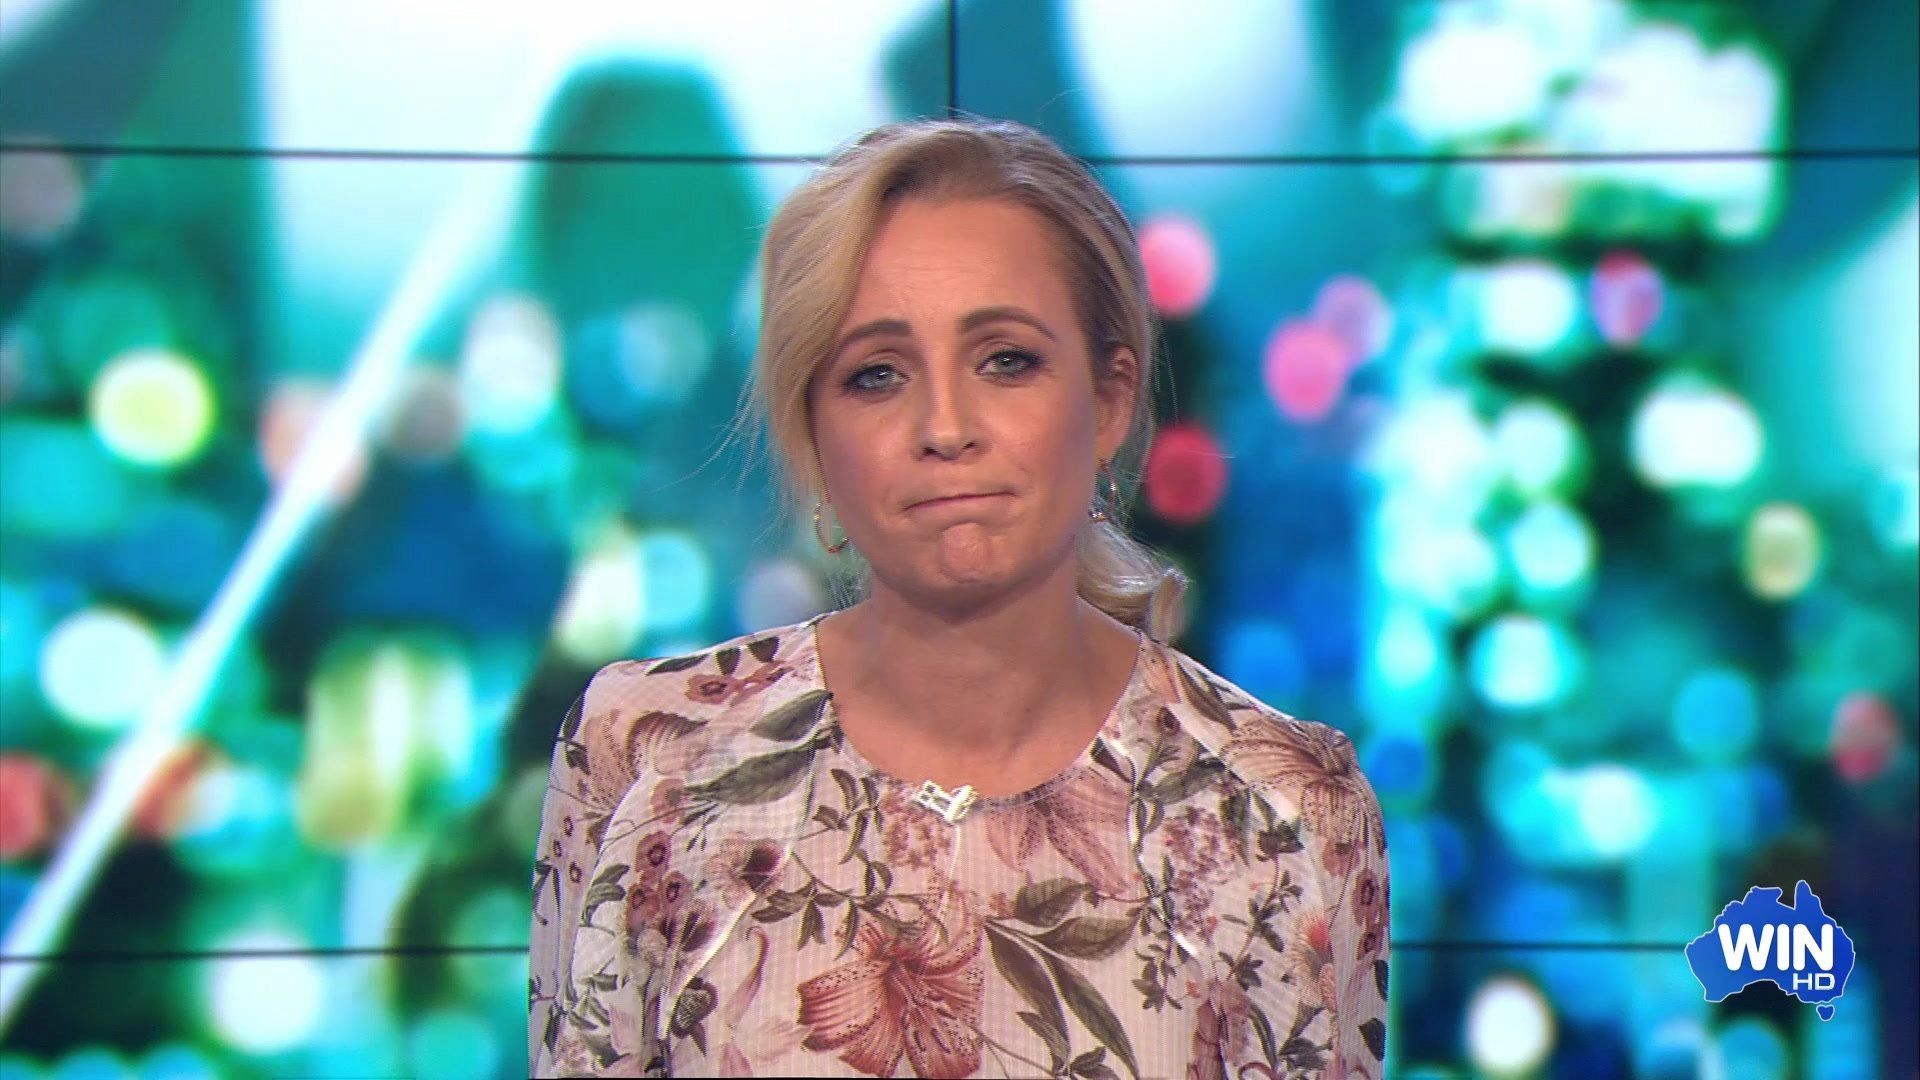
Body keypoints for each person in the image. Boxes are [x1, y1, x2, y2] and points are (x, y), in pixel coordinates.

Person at [528, 116, 1389, 1079]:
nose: (944, 427)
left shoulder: (1285, 810)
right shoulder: (648, 752)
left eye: (1005, 360)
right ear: (813, 430)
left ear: (1110, 400)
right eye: (876, 375)